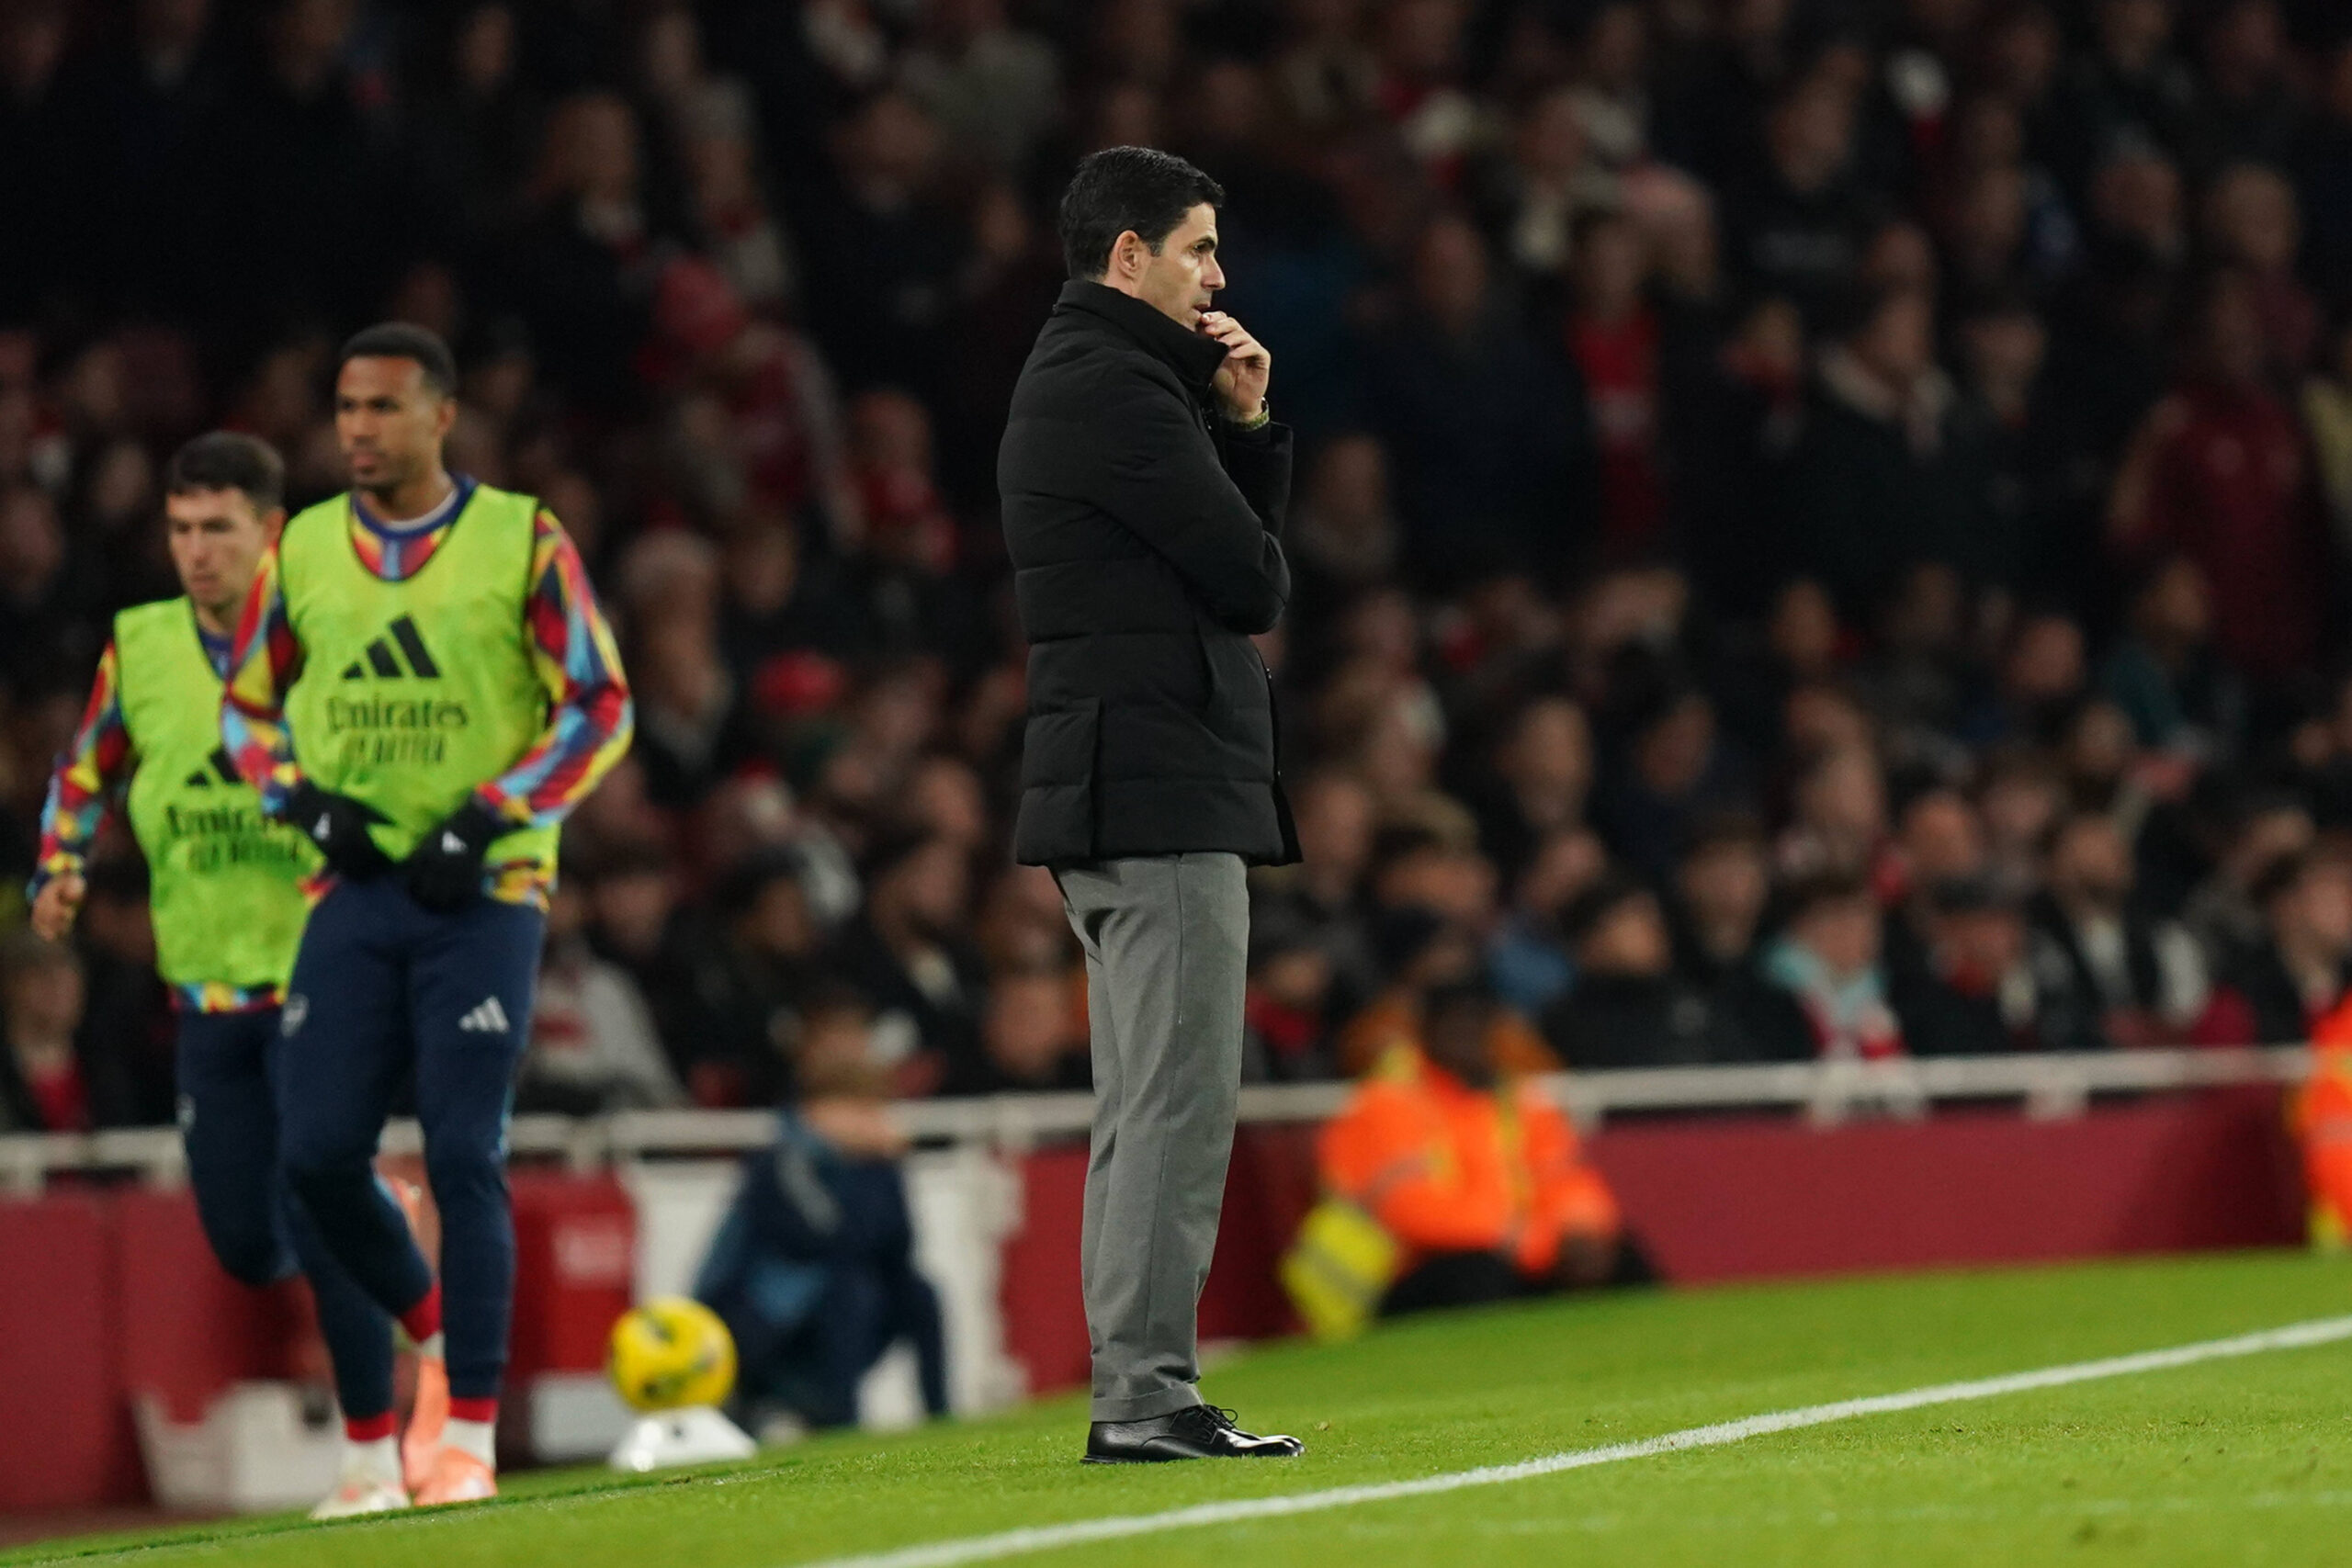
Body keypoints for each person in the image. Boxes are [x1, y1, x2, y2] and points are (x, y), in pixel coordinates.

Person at [220, 324, 633, 1510]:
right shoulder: (300, 547)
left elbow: (598, 703)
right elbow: (246, 707)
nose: (358, 428)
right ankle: (439, 1330)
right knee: (314, 1154)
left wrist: (494, 811)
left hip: (482, 889)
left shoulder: (521, 538)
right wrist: (299, 800)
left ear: (442, 417)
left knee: (462, 1148)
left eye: (384, 408)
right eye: (346, 407)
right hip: (352, 883)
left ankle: (468, 1437)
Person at [27, 434, 401, 1517]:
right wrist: (58, 864)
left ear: (270, 533)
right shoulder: (138, 647)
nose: (195, 550)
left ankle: (373, 1459)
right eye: (181, 529)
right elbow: (84, 763)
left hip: (315, 975)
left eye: (218, 529)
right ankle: (388, 1238)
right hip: (204, 996)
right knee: (245, 1238)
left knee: (317, 1201)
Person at [998, 146, 1303, 1463]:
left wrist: (1228, 418)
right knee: (1173, 1103)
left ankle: (1140, 1386)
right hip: (1155, 779)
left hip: (1126, 775)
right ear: (1129, 258)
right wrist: (1242, 427)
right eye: (1197, 249)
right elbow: (1249, 578)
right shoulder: (1115, 388)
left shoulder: (1096, 376)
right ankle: (1147, 1392)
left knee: (1144, 1104)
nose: (1218, 276)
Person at [1315, 977, 1632, 1320]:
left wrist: (1577, 1229)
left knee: (1617, 1253)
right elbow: (1409, 1212)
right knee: (1478, 1272)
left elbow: (1568, 1179)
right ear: (1426, 1030)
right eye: (1456, 1023)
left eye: (1479, 1022)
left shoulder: (1519, 1101)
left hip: (1512, 1252)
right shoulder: (1387, 1102)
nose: (1469, 1035)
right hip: (1394, 1274)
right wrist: (1522, 1239)